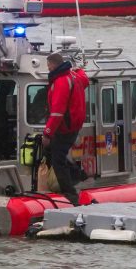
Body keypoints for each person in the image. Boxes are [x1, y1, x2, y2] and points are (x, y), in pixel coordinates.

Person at [42, 52, 89, 206]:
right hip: (73, 126)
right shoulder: (73, 76)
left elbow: (57, 112)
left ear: (53, 64)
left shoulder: (61, 81)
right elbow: (85, 80)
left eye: (48, 65)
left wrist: (47, 133)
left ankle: (70, 194)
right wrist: (79, 68)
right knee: (55, 152)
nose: (48, 68)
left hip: (65, 127)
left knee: (57, 160)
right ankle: (78, 174)